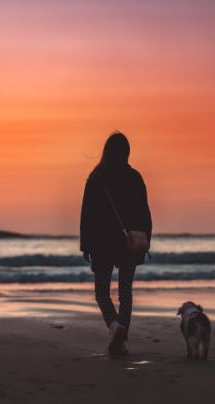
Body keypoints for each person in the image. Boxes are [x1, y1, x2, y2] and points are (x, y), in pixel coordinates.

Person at [80, 132, 152, 356]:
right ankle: (120, 342)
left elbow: (87, 215)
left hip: (102, 243)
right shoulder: (134, 177)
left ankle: (114, 326)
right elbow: (144, 214)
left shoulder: (97, 177)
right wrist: (145, 241)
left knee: (101, 292)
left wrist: (86, 245)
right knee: (125, 293)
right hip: (128, 243)